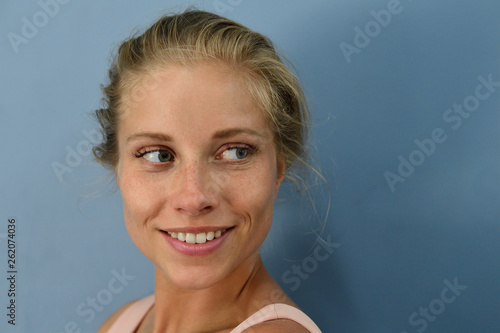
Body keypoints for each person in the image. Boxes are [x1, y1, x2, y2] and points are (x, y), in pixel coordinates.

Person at [93, 8, 321, 333]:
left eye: (235, 152)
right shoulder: (121, 323)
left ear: (278, 171)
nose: (194, 197)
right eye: (158, 155)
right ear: (119, 168)